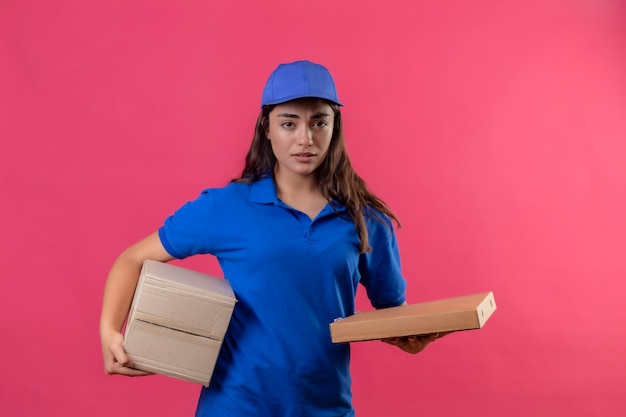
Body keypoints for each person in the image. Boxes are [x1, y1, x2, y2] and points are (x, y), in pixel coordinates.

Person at [100, 60, 442, 417]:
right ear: (266, 127)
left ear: (334, 127)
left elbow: (394, 316)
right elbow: (133, 258)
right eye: (289, 123)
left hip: (326, 409)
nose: (304, 139)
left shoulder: (367, 220)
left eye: (319, 123)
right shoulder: (226, 207)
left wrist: (414, 339)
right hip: (234, 407)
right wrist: (109, 332)